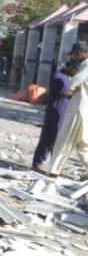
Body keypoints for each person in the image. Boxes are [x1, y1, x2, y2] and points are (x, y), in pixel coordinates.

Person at [48, 42, 88, 175]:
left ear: (82, 52)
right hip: (83, 108)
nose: (75, 57)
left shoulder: (86, 64)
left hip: (79, 108)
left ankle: (53, 171)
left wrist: (74, 88)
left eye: (76, 54)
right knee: (83, 145)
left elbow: (75, 81)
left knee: (64, 141)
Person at [32, 60, 78, 173]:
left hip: (64, 112)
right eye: (75, 70)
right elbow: (52, 95)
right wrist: (70, 94)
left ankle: (47, 164)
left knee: (53, 139)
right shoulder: (57, 76)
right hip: (55, 111)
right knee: (52, 139)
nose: (76, 72)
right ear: (70, 66)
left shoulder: (69, 78)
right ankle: (44, 164)